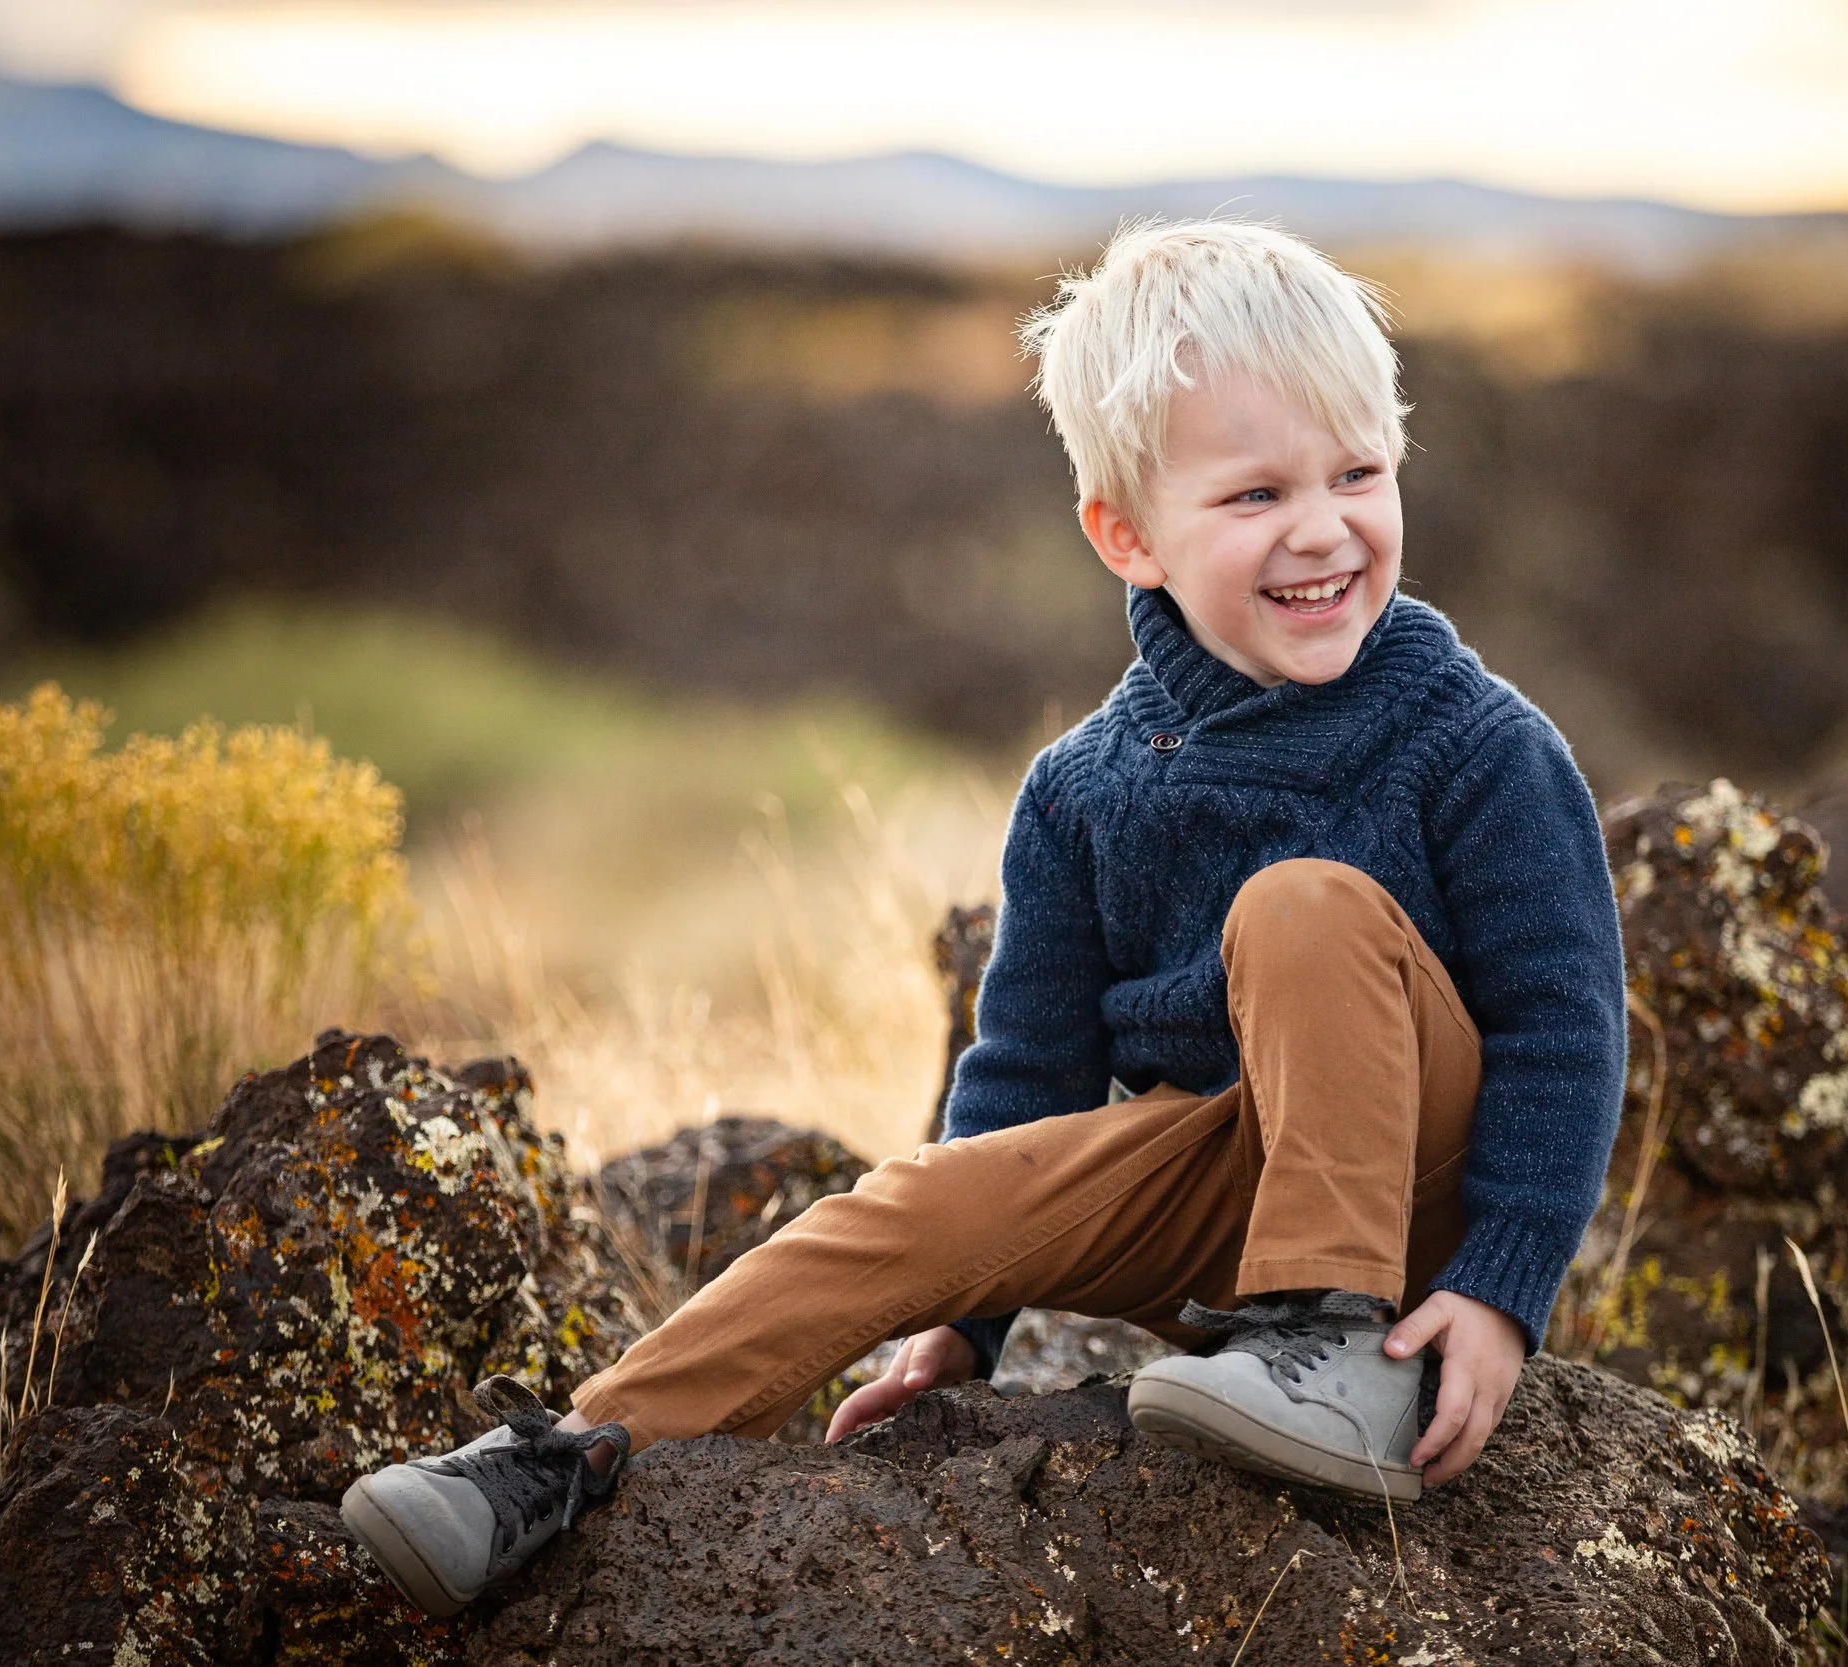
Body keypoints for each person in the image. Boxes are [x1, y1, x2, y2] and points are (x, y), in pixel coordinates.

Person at [339, 219, 1627, 1619]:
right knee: (921, 1195)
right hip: (1222, 1204)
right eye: (1256, 493)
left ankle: (1334, 1353)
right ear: (1127, 535)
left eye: (1358, 473)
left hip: (1424, 1189)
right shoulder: (1084, 788)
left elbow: (1566, 1025)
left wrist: (1499, 1289)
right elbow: (1027, 1080)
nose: (1322, 528)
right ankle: (571, 1455)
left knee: (1302, 908)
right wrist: (964, 1320)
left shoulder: (1473, 741)